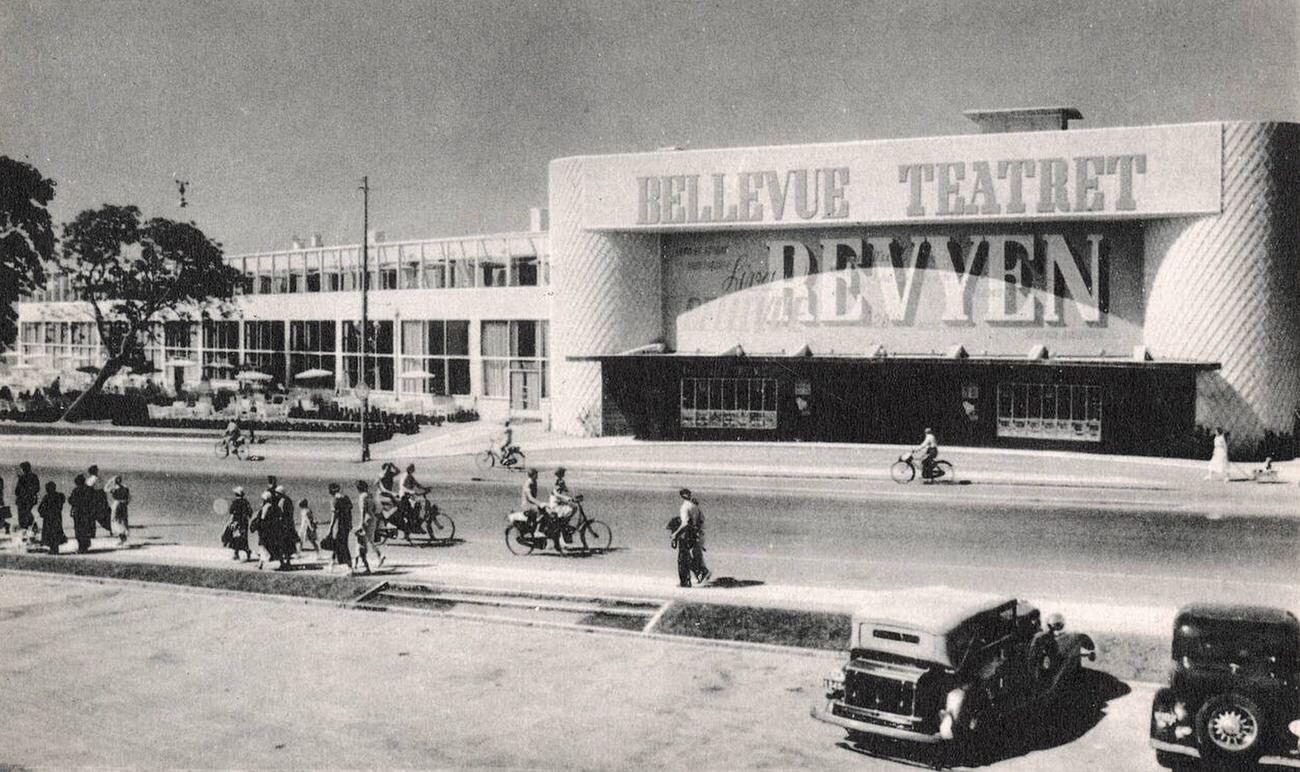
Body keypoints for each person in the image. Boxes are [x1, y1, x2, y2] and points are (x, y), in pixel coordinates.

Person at [671, 488, 710, 587]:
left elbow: (685, 523)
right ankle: (701, 572)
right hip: (694, 534)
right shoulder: (695, 507)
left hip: (687, 534)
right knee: (690, 557)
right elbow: (702, 520)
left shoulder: (685, 507)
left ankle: (686, 582)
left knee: (683, 559)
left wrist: (675, 534)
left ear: (682, 496)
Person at [354, 480, 384, 574]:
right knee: (370, 540)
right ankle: (379, 555)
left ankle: (358, 563)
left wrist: (361, 523)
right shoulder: (370, 495)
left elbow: (363, 510)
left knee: (361, 541)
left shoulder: (362, 497)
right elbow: (375, 507)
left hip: (366, 519)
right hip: (373, 518)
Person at [325, 483, 354, 574]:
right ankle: (332, 564)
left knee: (341, 545)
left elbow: (334, 516)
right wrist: (350, 523)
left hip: (339, 525)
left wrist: (330, 528)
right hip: (346, 525)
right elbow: (349, 511)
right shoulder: (346, 497)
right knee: (339, 544)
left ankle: (350, 568)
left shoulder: (334, 500)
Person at [546, 467, 577, 552]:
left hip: (558, 501)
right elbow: (556, 493)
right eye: (563, 472)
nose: (564, 474)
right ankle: (564, 523)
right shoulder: (558, 481)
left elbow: (566, 490)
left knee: (573, 507)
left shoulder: (560, 481)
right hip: (555, 504)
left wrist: (572, 496)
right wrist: (566, 498)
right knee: (573, 508)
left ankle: (564, 523)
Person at [68, 474, 98, 553]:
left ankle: (82, 547)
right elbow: (94, 500)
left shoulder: (76, 490)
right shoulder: (89, 489)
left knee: (79, 530)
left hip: (78, 512)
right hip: (87, 512)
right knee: (86, 529)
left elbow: (71, 500)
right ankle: (85, 546)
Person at [224, 487, 253, 561]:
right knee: (243, 538)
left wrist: (230, 522)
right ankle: (246, 552)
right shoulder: (246, 502)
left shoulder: (235, 502)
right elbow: (250, 513)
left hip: (237, 523)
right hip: (244, 523)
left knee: (236, 538)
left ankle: (237, 553)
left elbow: (231, 512)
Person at [37, 481, 67, 555]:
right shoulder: (58, 496)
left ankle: (53, 549)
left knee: (50, 533)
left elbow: (40, 508)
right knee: (56, 532)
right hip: (57, 517)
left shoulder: (47, 497)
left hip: (48, 518)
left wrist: (43, 513)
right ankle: (55, 549)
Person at [15, 461, 40, 538]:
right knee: (27, 513)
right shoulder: (34, 476)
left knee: (23, 514)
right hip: (30, 499)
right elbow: (37, 488)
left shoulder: (22, 478)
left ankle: (27, 530)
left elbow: (17, 491)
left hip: (23, 500)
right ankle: (32, 528)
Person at [519, 468, 544, 538]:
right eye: (536, 474)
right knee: (540, 512)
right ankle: (537, 531)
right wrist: (540, 503)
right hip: (526, 505)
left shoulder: (534, 482)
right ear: (532, 475)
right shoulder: (528, 483)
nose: (537, 476)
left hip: (531, 504)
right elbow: (530, 498)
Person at [107, 475, 131, 545]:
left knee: (115, 520)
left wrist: (110, 481)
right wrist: (127, 502)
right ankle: (124, 535)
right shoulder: (126, 488)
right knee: (124, 520)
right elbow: (130, 496)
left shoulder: (114, 489)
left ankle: (122, 537)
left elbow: (105, 489)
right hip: (124, 503)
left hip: (117, 504)